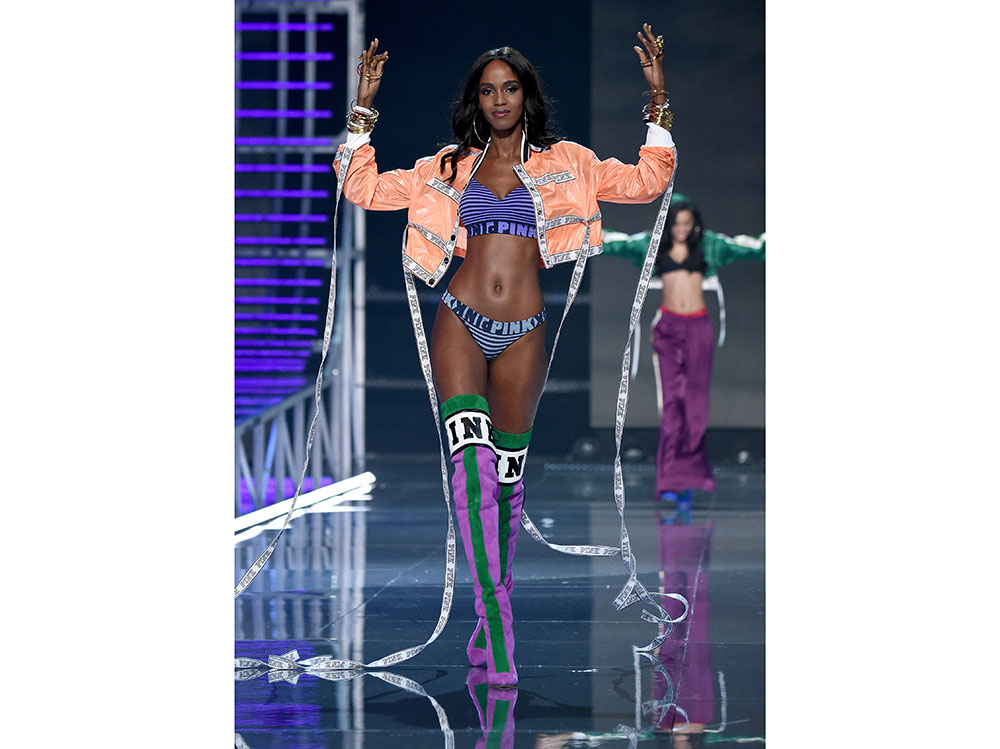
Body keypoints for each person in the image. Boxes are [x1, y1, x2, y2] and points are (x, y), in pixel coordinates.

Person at [335, 25, 676, 687]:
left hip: (524, 332)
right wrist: (363, 110)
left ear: (526, 96)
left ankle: (491, 611)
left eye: (509, 88)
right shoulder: (445, 168)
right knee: (473, 473)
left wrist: (658, 103)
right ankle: (498, 628)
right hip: (459, 321)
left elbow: (647, 182)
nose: (499, 99)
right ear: (476, 99)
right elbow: (362, 188)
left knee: (508, 487)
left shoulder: (568, 163)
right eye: (488, 90)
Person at [600, 196, 765, 504]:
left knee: (696, 405)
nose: (681, 229)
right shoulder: (652, 245)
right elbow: (614, 242)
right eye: (676, 223)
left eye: (687, 223)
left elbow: (751, 247)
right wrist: (575, 231)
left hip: (698, 329)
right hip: (669, 330)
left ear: (695, 224)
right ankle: (670, 481)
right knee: (672, 404)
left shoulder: (709, 246)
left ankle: (693, 477)